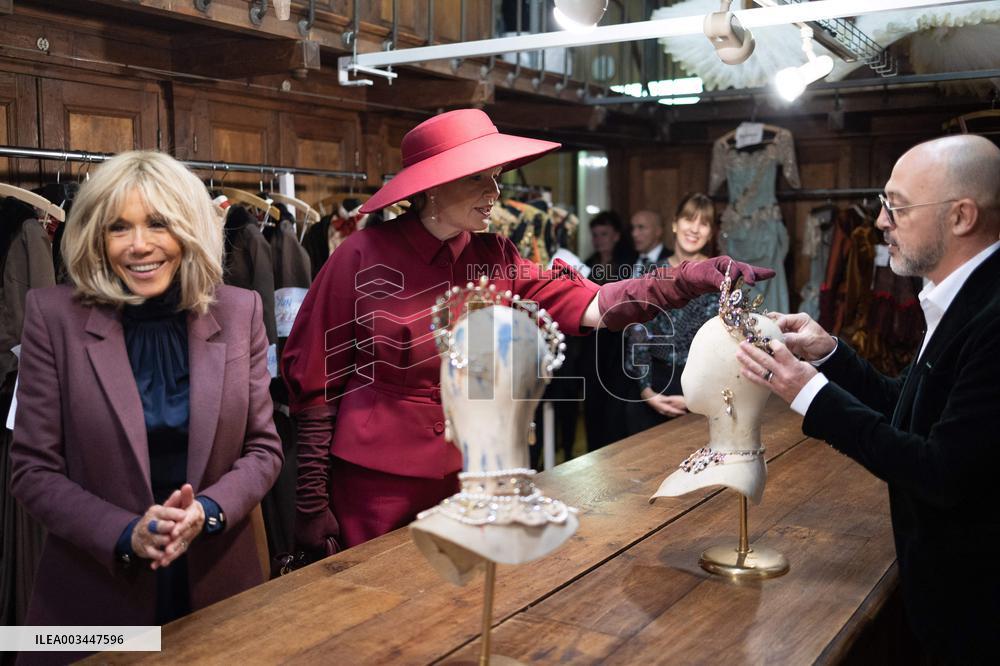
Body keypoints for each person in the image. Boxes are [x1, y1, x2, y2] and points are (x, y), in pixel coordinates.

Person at [281, 108, 774, 554]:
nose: (494, 194)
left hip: (471, 479)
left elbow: (595, 302)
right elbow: (316, 386)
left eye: (496, 178)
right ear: (432, 186)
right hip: (375, 488)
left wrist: (685, 279)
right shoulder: (360, 257)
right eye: (479, 179)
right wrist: (310, 501)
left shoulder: (495, 256)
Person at [735, 135, 1000, 663]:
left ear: (961, 217)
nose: (880, 222)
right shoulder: (964, 294)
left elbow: (940, 471)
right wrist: (829, 353)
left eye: (895, 207)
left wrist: (807, 392)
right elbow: (906, 405)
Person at [10, 151, 283, 637]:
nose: (139, 245)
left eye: (158, 224)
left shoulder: (241, 312)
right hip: (93, 594)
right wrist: (125, 534)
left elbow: (263, 450)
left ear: (190, 228)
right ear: (96, 235)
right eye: (118, 228)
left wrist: (208, 511)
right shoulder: (52, 317)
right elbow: (32, 470)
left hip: (218, 584)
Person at [625, 193, 719, 434]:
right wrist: (646, 390)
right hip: (650, 386)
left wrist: (697, 399)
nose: (695, 229)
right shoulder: (649, 272)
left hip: (703, 392)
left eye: (704, 223)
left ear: (711, 232)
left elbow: (728, 348)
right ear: (675, 223)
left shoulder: (720, 276)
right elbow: (637, 333)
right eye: (689, 219)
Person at [581, 211, 635, 451]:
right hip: (592, 346)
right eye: (595, 235)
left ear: (616, 236)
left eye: (604, 234)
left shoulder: (629, 263)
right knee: (593, 407)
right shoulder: (588, 264)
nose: (599, 239)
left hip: (618, 346)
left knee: (616, 409)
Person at [630, 209, 666, 276]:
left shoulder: (673, 261)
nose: (634, 234)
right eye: (632, 228)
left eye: (641, 227)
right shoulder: (625, 260)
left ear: (658, 231)